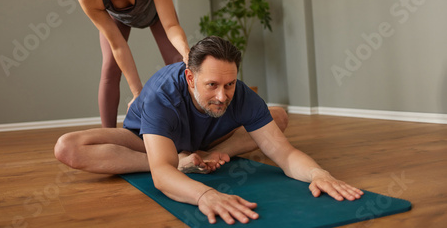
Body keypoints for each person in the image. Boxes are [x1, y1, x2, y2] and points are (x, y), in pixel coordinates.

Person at [55, 36, 363, 225]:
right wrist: (204, 194)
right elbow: (161, 174)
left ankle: (198, 155)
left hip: (208, 137)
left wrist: (319, 174)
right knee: (67, 148)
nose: (222, 95)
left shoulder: (239, 94)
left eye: (229, 84)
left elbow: (284, 153)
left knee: (277, 116)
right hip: (147, 139)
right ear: (190, 78)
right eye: (211, 85)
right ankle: (187, 160)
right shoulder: (163, 95)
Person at [74, 0, 190, 127]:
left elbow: (171, 26)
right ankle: (109, 135)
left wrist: (187, 53)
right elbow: (118, 46)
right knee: (110, 67)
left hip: (155, 15)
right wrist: (137, 93)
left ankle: (189, 127)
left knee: (179, 64)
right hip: (118, 19)